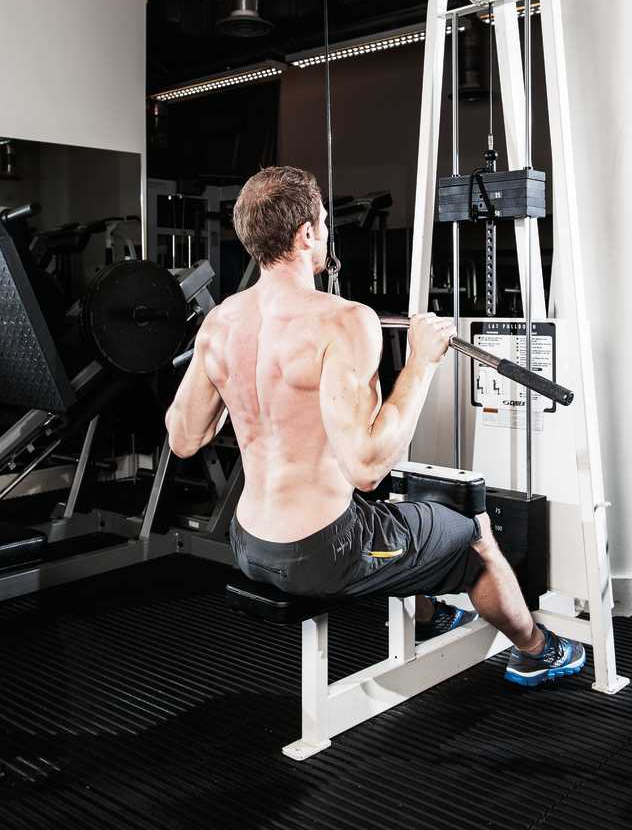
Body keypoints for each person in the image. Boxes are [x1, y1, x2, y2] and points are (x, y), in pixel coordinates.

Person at [166, 166, 585, 685]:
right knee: (471, 538)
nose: (325, 232)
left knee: (397, 525)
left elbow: (184, 439)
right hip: (322, 550)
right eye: (322, 222)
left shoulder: (221, 321)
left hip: (247, 542)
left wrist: (245, 385)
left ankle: (431, 615)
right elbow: (366, 467)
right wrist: (422, 363)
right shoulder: (344, 320)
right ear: (307, 234)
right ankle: (537, 649)